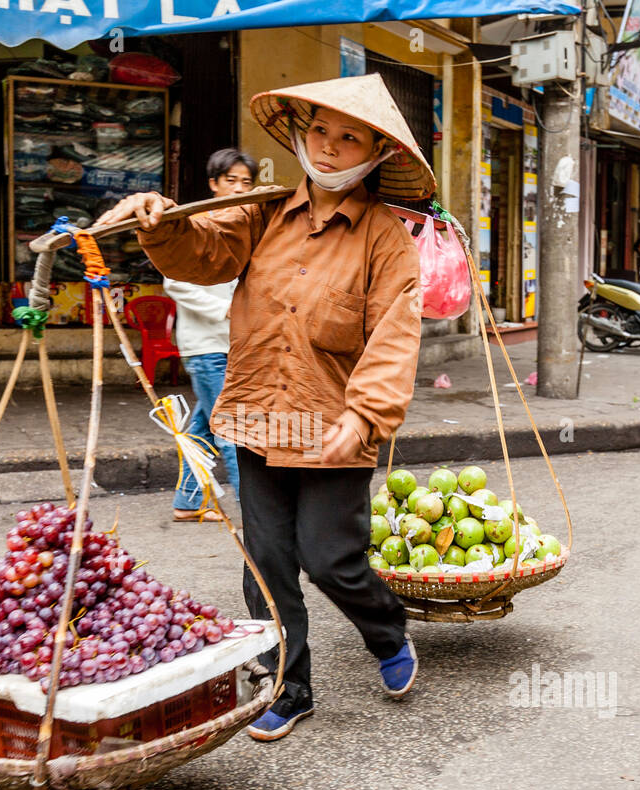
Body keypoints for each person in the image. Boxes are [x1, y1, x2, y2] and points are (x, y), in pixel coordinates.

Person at [95, 74, 427, 741]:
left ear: (376, 153)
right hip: (258, 413)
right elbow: (204, 253)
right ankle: (288, 685)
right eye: (320, 132)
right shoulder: (266, 211)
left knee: (331, 558)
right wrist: (159, 224)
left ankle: (387, 631)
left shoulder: (385, 239)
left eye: (349, 137)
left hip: (334, 422)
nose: (329, 149)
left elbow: (395, 336)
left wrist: (364, 417)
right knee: (267, 561)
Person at [165, 148, 256, 521]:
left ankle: (187, 502)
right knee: (232, 431)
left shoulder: (248, 228)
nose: (238, 189)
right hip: (206, 347)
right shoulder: (197, 224)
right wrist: (222, 310)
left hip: (233, 344)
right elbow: (174, 282)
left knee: (204, 426)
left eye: (246, 182)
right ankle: (255, 514)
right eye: (230, 181)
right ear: (213, 184)